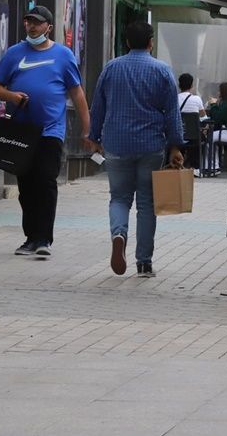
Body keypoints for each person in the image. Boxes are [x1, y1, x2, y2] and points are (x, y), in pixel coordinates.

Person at [0, 5, 90, 258]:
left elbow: (76, 92)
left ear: (49, 27)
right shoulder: (14, 53)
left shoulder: (64, 55)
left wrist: (88, 128)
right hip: (22, 132)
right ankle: (30, 238)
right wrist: (11, 95)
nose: (32, 27)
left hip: (50, 131)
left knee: (45, 182)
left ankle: (44, 239)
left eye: (37, 23)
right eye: (29, 22)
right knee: (26, 187)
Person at [88, 21, 185, 278]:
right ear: (151, 42)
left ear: (127, 42)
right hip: (150, 145)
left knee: (119, 197)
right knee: (146, 203)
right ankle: (144, 263)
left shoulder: (111, 68)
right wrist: (175, 145)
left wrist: (94, 137)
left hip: (116, 144)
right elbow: (172, 115)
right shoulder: (162, 71)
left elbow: (98, 106)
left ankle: (119, 234)